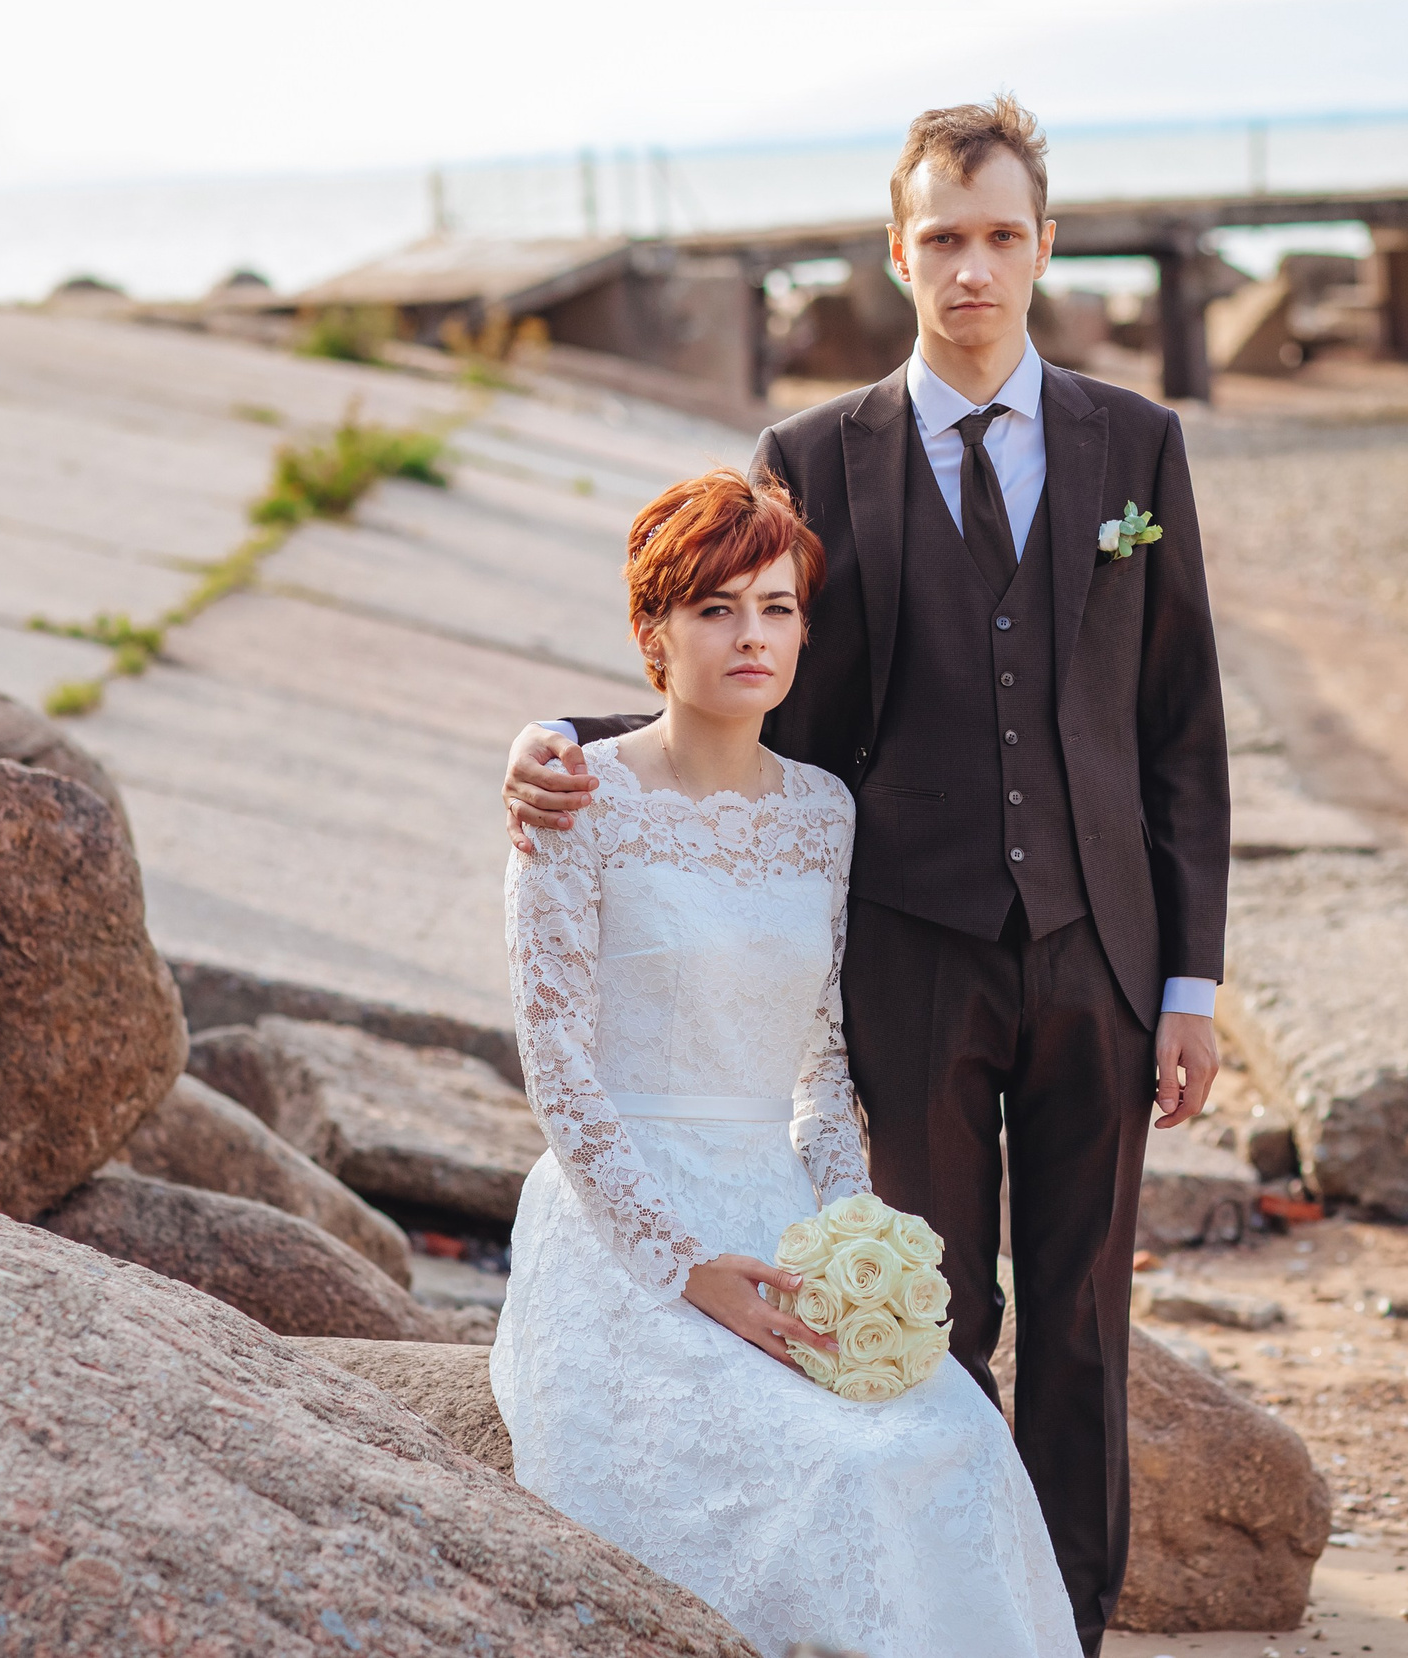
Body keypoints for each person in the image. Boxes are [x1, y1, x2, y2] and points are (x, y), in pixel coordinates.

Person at [501, 97, 1229, 1654]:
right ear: (898, 252)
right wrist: (563, 741)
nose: (974, 268)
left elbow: (1181, 732)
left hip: (1104, 948)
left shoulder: (1135, 446)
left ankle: (1065, 1625)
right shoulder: (815, 454)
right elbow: (741, 681)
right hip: (904, 947)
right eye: (944, 238)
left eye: (1003, 235)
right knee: (927, 1305)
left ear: (1047, 244)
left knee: (1088, 1319)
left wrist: (1192, 984)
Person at [492, 467, 1079, 1658]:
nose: (750, 635)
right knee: (838, 1469)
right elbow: (555, 1063)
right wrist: (684, 1264)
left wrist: (851, 1235)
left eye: (775, 606)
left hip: (773, 1197)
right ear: (653, 631)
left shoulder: (823, 812)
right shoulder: (573, 800)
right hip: (626, 1226)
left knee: (951, 1439)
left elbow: (820, 1068)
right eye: (714, 609)